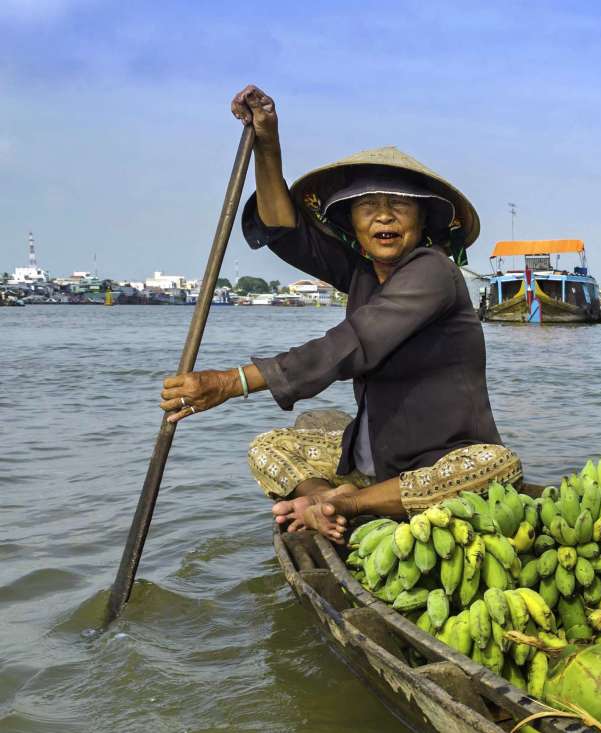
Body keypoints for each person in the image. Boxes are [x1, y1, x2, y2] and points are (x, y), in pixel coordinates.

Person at [157, 85, 520, 543]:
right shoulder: (363, 273)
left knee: (496, 466)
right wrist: (268, 144)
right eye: (368, 206)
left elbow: (354, 341)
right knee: (271, 446)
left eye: (398, 205)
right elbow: (283, 229)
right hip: (375, 458)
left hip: (443, 459)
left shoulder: (433, 272)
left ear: (422, 220)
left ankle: (345, 502)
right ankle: (321, 495)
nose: (383, 217)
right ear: (351, 223)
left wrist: (233, 381)